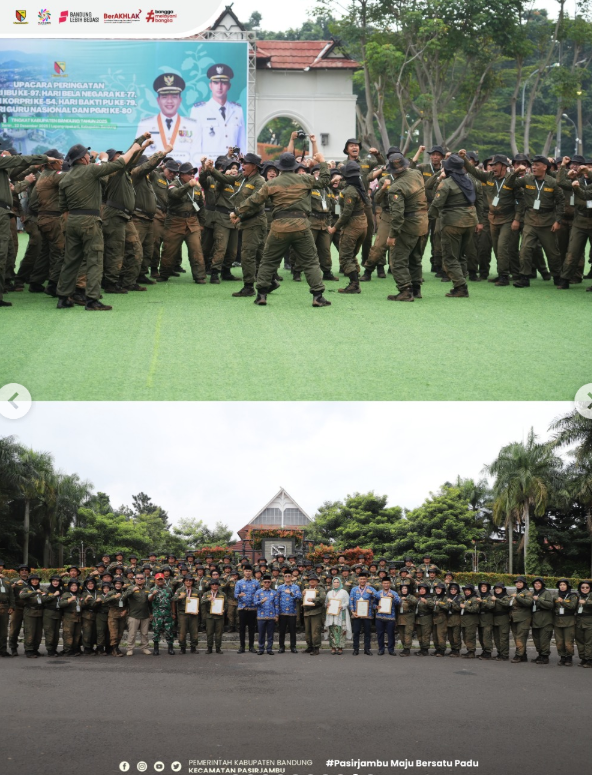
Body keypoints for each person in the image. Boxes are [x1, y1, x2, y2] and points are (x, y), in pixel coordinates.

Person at [233, 151, 332, 307]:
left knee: (268, 261)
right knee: (311, 262)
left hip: (279, 227)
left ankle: (262, 295)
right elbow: (325, 181)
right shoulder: (305, 179)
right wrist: (322, 161)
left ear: (280, 167)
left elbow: (254, 200)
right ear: (294, 166)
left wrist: (237, 212)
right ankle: (317, 296)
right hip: (301, 226)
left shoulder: (271, 183)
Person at [56, 139, 142, 310]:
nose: (89, 156)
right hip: (90, 220)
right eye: (86, 154)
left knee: (71, 261)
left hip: (72, 220)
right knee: (94, 259)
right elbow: (118, 164)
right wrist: (134, 149)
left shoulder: (65, 178)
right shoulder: (90, 171)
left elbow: (62, 207)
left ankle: (63, 297)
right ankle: (92, 300)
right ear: (81, 159)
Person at [0, 150, 57, 308]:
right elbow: (19, 162)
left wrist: (34, 165)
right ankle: (13, 280)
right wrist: (44, 158)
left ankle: (6, 284)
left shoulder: (4, 168)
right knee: (5, 251)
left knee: (7, 251)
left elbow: (16, 169)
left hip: (7, 212)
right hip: (10, 213)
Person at [460, 150, 520, 285]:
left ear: (504, 166)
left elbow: (520, 200)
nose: (492, 167)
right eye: (492, 165)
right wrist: (463, 158)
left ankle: (504, 276)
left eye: (496, 165)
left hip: (507, 218)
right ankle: (501, 273)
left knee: (502, 245)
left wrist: (517, 219)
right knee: (496, 247)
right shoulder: (489, 177)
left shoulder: (511, 180)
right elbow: (473, 171)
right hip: (492, 218)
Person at [505, 155, 565, 287]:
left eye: (537, 165)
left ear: (545, 167)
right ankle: (524, 277)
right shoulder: (527, 179)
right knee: (525, 250)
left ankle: (557, 276)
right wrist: (515, 172)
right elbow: (509, 184)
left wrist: (558, 220)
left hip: (547, 222)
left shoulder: (553, 182)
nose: (534, 167)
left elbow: (561, 202)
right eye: (533, 165)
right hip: (530, 220)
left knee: (552, 252)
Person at [428, 154, 482, 298]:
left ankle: (460, 287)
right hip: (470, 221)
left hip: (453, 222)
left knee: (450, 257)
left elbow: (436, 203)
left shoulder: (446, 183)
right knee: (461, 255)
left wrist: (427, 217)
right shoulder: (469, 181)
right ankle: (461, 282)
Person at [383, 152, 429, 302]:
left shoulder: (396, 187)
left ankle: (405, 290)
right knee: (415, 257)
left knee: (398, 259)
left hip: (409, 224)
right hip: (423, 221)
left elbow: (397, 216)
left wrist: (392, 236)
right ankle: (416, 289)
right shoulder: (416, 173)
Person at [157, 162, 207, 283]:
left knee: (196, 249)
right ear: (181, 175)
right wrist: (188, 186)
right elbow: (175, 194)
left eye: (193, 173)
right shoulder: (173, 185)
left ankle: (199, 276)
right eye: (189, 173)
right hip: (175, 221)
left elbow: (200, 206)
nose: (191, 175)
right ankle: (164, 274)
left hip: (192, 221)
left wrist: (202, 223)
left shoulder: (197, 187)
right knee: (169, 250)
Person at [136, 73, 200, 164]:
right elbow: (139, 155)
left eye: (174, 97)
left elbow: (196, 157)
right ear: (158, 100)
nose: (169, 101)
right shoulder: (144, 124)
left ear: (180, 100)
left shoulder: (192, 125)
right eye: (165, 97)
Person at [327, 161, 369, 294]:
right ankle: (354, 280)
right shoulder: (357, 186)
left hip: (353, 225)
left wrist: (335, 228)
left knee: (345, 256)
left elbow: (346, 214)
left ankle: (354, 284)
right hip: (362, 224)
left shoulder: (350, 191)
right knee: (351, 254)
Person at [191, 64, 246, 157]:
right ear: (210, 85)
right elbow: (195, 145)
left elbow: (242, 144)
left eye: (223, 82)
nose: (219, 86)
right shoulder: (199, 111)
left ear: (229, 85)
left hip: (232, 167)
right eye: (216, 82)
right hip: (210, 166)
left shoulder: (237, 110)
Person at [122, 572, 152, 657]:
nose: (139, 580)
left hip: (145, 615)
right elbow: (124, 597)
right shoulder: (131, 588)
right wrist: (132, 591)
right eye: (138, 578)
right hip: (133, 615)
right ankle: (130, 649)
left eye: (141, 578)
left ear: (144, 579)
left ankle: (144, 647)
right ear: (135, 579)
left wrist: (151, 613)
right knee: (132, 633)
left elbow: (149, 602)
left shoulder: (147, 588)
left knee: (145, 633)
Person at [350, 570, 377, 656]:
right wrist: (352, 612)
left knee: (367, 632)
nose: (362, 581)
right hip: (356, 615)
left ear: (366, 580)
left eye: (364, 579)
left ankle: (367, 649)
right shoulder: (354, 589)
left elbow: (378, 597)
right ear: (358, 580)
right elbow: (351, 601)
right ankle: (356, 649)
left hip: (367, 615)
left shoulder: (370, 589)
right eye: (361, 579)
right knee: (356, 632)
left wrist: (372, 593)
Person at [148, 572, 175, 655]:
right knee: (156, 631)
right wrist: (153, 594)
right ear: (155, 580)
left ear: (164, 580)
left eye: (161, 579)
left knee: (169, 631)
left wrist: (173, 613)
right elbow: (149, 600)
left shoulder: (168, 589)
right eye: (158, 579)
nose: (160, 581)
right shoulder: (152, 589)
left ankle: (170, 648)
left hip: (167, 613)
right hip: (157, 614)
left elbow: (172, 601)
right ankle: (156, 649)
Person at [235, 564, 260, 653]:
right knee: (242, 628)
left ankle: (251, 646)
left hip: (252, 609)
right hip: (242, 609)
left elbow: (259, 594)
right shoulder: (239, 582)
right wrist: (239, 595)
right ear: (243, 572)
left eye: (249, 571)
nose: (248, 572)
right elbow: (235, 594)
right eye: (246, 571)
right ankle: (242, 646)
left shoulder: (256, 582)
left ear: (251, 572)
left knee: (252, 629)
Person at [553, 577, 578, 666]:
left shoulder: (573, 596)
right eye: (560, 585)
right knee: (559, 642)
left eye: (564, 585)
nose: (562, 587)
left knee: (568, 642)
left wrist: (562, 601)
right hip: (558, 622)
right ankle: (562, 657)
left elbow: (572, 606)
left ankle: (569, 658)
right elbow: (553, 607)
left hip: (569, 622)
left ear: (567, 586)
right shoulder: (556, 596)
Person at [19, 573, 45, 658]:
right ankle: (29, 650)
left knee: (38, 633)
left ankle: (35, 649)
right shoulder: (26, 589)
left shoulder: (41, 589)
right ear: (30, 581)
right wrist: (34, 592)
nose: (35, 581)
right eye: (33, 580)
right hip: (30, 613)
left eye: (36, 580)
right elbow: (22, 595)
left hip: (39, 613)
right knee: (30, 631)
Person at [324, 576, 351, 655]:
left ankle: (340, 647)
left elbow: (347, 602)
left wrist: (342, 606)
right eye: (334, 582)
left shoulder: (344, 592)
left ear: (340, 583)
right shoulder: (329, 592)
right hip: (331, 615)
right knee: (332, 630)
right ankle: (333, 647)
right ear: (332, 583)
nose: (336, 584)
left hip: (341, 614)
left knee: (341, 630)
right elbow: (326, 602)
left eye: (337, 582)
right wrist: (327, 605)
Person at [530, 576, 554, 664]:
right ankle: (540, 655)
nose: (537, 585)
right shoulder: (533, 593)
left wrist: (539, 599)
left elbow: (550, 605)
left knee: (544, 639)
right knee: (536, 639)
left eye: (539, 583)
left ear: (542, 584)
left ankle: (545, 656)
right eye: (535, 583)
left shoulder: (546, 593)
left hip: (545, 620)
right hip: (536, 619)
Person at [509, 576, 533, 663]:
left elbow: (529, 603)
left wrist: (517, 597)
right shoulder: (517, 592)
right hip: (514, 618)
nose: (518, 584)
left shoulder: (527, 593)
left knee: (520, 637)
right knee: (516, 637)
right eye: (517, 582)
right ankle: (523, 655)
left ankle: (518, 655)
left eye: (520, 582)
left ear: (524, 584)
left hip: (523, 618)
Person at [277, 570, 302, 653]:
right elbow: (277, 600)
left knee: (292, 631)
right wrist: (277, 612)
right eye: (286, 576)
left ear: (291, 577)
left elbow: (299, 597)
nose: (287, 577)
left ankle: (293, 647)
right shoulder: (280, 587)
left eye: (289, 576)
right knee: (282, 631)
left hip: (292, 612)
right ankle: (281, 647)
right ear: (283, 577)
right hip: (282, 612)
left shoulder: (296, 587)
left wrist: (291, 593)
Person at [374, 577, 400, 656]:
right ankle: (381, 649)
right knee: (380, 634)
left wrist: (393, 597)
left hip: (390, 617)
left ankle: (391, 649)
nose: (386, 585)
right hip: (379, 617)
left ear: (390, 584)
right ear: (382, 584)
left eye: (387, 583)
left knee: (391, 634)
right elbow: (373, 604)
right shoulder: (378, 593)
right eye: (384, 583)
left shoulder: (394, 593)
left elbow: (398, 602)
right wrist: (376, 607)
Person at [103, 577, 128, 657]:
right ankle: (114, 648)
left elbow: (128, 603)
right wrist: (115, 597)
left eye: (119, 584)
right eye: (116, 584)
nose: (118, 585)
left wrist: (125, 611)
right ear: (114, 585)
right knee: (114, 633)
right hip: (113, 614)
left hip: (122, 614)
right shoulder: (111, 593)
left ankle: (117, 647)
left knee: (120, 633)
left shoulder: (124, 593)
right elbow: (105, 601)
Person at [254, 574, 278, 655]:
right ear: (262, 583)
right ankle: (261, 648)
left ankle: (269, 649)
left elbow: (276, 605)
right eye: (265, 582)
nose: (267, 583)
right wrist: (261, 601)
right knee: (261, 634)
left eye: (268, 582)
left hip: (271, 616)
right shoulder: (258, 592)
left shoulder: (274, 592)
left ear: (270, 583)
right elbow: (254, 603)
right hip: (261, 616)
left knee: (270, 634)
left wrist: (276, 615)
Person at [302, 574, 326, 656]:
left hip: (316, 612)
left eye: (314, 580)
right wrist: (303, 595)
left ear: (317, 581)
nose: (312, 581)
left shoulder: (320, 589)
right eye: (310, 580)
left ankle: (316, 648)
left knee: (315, 631)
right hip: (307, 612)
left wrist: (313, 599)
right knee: (307, 632)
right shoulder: (306, 590)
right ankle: (310, 646)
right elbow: (302, 601)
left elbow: (323, 598)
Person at [59, 579, 84, 657]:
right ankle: (67, 649)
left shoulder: (79, 595)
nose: (74, 587)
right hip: (69, 617)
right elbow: (61, 604)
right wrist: (69, 600)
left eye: (75, 586)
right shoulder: (66, 594)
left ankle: (75, 648)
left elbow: (82, 605)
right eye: (72, 586)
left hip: (78, 617)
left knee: (77, 634)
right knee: (68, 634)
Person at [201, 578, 226, 654]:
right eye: (213, 584)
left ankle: (218, 648)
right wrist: (208, 599)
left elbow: (226, 604)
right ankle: (209, 648)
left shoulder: (222, 594)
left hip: (219, 616)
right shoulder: (206, 594)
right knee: (209, 633)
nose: (214, 586)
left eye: (216, 584)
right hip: (210, 616)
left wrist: (224, 609)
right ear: (210, 586)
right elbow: (201, 602)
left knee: (219, 633)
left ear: (218, 586)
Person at [41, 575, 62, 657]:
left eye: (57, 581)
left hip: (58, 613)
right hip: (49, 613)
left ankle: (54, 648)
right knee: (49, 632)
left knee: (56, 633)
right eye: (54, 581)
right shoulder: (47, 590)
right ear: (51, 582)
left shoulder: (60, 591)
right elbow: (43, 599)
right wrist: (54, 595)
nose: (55, 582)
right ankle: (50, 649)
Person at [81, 577, 102, 656]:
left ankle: (92, 647)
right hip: (87, 615)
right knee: (87, 632)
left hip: (96, 614)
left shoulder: (97, 592)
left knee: (94, 632)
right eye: (88, 584)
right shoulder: (84, 593)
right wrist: (93, 601)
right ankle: (87, 648)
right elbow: (83, 604)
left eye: (92, 583)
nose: (90, 585)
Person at [459, 584, 480, 659]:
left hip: (471, 620)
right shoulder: (466, 598)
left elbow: (475, 609)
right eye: (465, 590)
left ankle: (471, 652)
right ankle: (469, 650)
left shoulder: (474, 598)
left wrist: (465, 607)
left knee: (470, 636)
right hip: (465, 620)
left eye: (468, 590)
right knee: (465, 636)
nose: (466, 592)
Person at [475, 581, 495, 660]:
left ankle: (488, 652)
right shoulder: (479, 596)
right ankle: (484, 650)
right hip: (480, 618)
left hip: (487, 618)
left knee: (487, 636)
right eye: (482, 587)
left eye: (485, 587)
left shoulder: (490, 596)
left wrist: (482, 601)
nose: (483, 588)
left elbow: (491, 606)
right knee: (481, 636)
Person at [396, 582, 417, 656]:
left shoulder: (411, 596)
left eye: (405, 588)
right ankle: (404, 647)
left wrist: (407, 598)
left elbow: (415, 602)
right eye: (402, 588)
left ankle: (407, 649)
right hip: (400, 617)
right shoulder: (398, 597)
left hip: (409, 617)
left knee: (408, 633)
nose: (404, 590)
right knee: (401, 634)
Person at [492, 582, 511, 661]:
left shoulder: (505, 596)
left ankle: (505, 654)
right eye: (496, 588)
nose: (497, 590)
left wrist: (497, 600)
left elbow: (507, 604)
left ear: (502, 589)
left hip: (503, 619)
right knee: (497, 638)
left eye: (499, 588)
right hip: (495, 619)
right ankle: (499, 652)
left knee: (503, 638)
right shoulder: (493, 597)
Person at [575, 580, 592, 667]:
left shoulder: (591, 595)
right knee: (580, 641)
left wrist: (586, 602)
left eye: (587, 587)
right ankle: (583, 658)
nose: (585, 589)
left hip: (589, 621)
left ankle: (589, 659)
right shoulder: (578, 596)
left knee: (589, 641)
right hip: (579, 621)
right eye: (582, 587)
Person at [414, 582, 434, 656]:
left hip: (426, 618)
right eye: (420, 589)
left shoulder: (428, 598)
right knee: (419, 634)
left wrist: (426, 601)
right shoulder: (418, 598)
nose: (422, 590)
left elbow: (432, 605)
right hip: (419, 618)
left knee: (425, 634)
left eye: (423, 589)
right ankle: (421, 648)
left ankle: (425, 650)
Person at [0, 564, 15, 657]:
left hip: (4, 606)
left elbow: (11, 594)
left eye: (1, 566)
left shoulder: (6, 580)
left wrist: (12, 606)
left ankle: (3, 650)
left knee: (3, 630)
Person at [432, 582, 448, 656]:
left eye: (439, 588)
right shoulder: (435, 597)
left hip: (441, 617)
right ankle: (437, 648)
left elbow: (447, 607)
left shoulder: (445, 598)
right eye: (436, 588)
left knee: (440, 634)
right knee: (435, 635)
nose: (438, 590)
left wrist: (440, 604)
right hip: (434, 617)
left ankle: (442, 650)